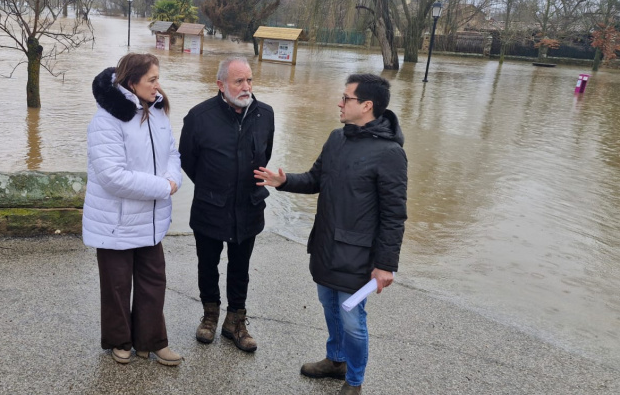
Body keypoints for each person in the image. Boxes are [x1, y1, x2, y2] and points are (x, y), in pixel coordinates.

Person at [254, 73, 407, 395]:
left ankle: (354, 381)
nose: (340, 102)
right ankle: (335, 361)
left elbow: (394, 215)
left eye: (346, 98)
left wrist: (385, 265)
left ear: (366, 105)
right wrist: (284, 181)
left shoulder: (391, 153)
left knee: (352, 317)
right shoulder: (337, 138)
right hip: (326, 244)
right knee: (328, 303)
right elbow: (315, 179)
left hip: (360, 255)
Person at [82, 53, 184, 366]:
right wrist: (162, 188)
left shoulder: (158, 112)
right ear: (132, 82)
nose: (158, 85)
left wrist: (173, 178)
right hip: (115, 220)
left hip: (151, 220)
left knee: (154, 281)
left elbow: (172, 155)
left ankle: (151, 341)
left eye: (158, 78)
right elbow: (113, 177)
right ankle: (120, 341)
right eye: (152, 79)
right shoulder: (106, 119)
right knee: (116, 285)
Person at [178, 56, 275, 353]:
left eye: (249, 80)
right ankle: (209, 316)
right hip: (210, 206)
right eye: (238, 81)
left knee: (240, 266)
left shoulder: (265, 114)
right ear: (221, 85)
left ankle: (236, 321)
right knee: (207, 264)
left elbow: (265, 154)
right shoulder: (199, 116)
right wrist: (214, 185)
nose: (246, 87)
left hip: (249, 205)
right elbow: (187, 160)